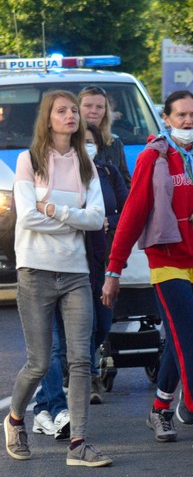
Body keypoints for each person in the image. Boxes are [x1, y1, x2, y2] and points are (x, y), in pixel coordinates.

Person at [104, 89, 193, 450]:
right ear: (167, 119)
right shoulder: (152, 157)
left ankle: (160, 408)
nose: (188, 121)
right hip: (167, 260)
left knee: (182, 339)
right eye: (181, 115)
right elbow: (133, 213)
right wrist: (114, 268)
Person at [4, 90, 109, 468]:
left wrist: (52, 208)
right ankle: (15, 420)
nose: (71, 116)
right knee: (39, 361)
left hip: (75, 272)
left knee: (81, 360)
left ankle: (78, 443)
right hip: (35, 271)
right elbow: (27, 217)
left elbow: (96, 218)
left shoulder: (85, 162)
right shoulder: (28, 160)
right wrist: (72, 217)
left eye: (73, 111)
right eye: (62, 110)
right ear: (47, 118)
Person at [30, 121, 128, 435]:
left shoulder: (106, 173)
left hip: (98, 264)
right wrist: (83, 219)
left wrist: (106, 221)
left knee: (99, 328)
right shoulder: (45, 173)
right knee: (57, 345)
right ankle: (55, 409)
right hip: (56, 264)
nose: (84, 147)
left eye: (89, 141)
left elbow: (125, 211)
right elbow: (35, 215)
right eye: (78, 141)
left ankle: (45, 403)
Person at [78, 85, 129, 187]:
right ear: (77, 109)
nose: (94, 111)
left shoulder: (115, 145)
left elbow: (125, 183)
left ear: (105, 112)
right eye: (88, 106)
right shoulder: (67, 142)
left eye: (99, 107)